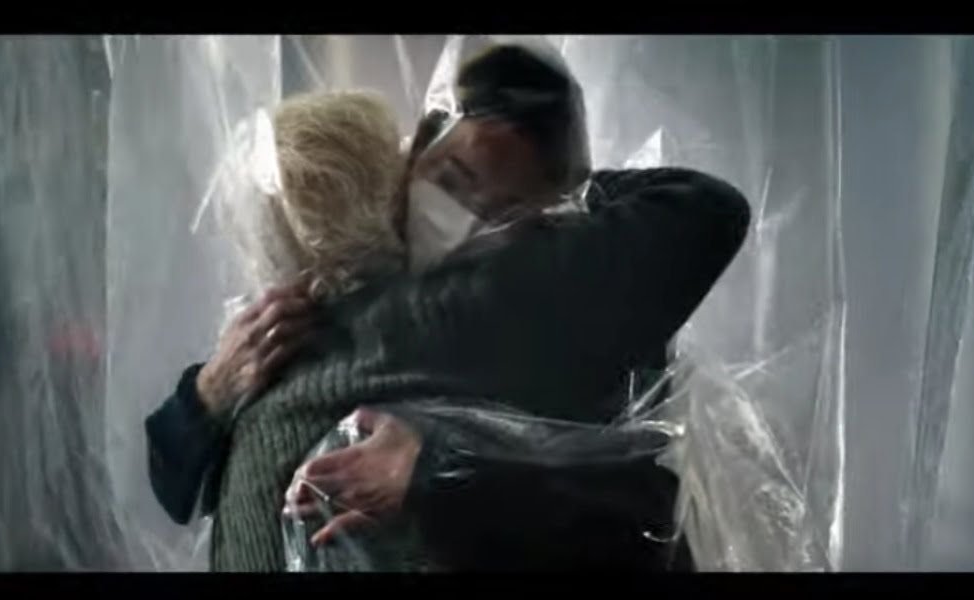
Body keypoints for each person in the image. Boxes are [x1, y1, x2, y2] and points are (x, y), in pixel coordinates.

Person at [146, 42, 750, 572]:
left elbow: (639, 514)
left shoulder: (511, 300)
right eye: (453, 180)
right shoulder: (289, 327)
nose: (464, 222)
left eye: (502, 212)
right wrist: (208, 392)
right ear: (408, 159)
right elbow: (175, 485)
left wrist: (444, 471)